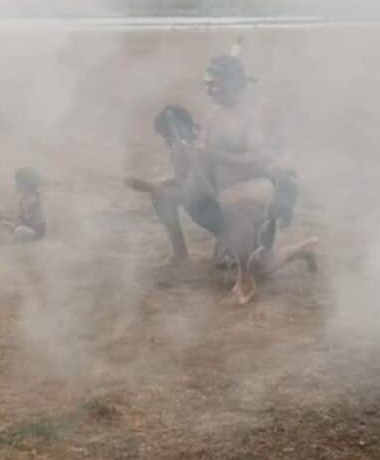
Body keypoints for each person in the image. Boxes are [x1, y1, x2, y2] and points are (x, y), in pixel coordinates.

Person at [129, 54, 315, 304]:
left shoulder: (252, 115)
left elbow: (257, 162)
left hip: (257, 199)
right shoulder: (212, 116)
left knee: (259, 259)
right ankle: (184, 254)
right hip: (220, 197)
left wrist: (214, 154)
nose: (209, 88)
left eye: (214, 82)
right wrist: (188, 155)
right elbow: (201, 162)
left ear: (233, 83)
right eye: (208, 82)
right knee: (166, 189)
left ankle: (247, 280)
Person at [0, 167, 47, 243]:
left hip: (34, 232)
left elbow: (26, 221)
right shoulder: (24, 199)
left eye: (19, 182)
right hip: (26, 228)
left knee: (18, 230)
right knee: (4, 225)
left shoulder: (32, 200)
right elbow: (20, 218)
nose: (17, 184)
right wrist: (7, 221)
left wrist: (12, 225)